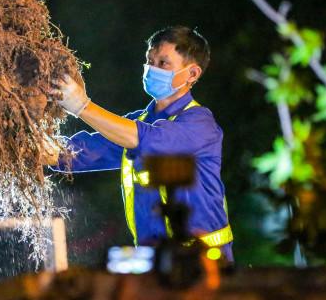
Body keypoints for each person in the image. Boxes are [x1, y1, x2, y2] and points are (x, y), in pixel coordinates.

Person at [49, 26, 234, 263]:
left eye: (163, 63)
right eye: (150, 60)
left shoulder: (199, 123)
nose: (151, 69)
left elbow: (143, 140)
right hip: (154, 259)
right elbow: (73, 155)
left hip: (204, 261)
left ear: (193, 73)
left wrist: (82, 106)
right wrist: (23, 144)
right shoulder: (137, 123)